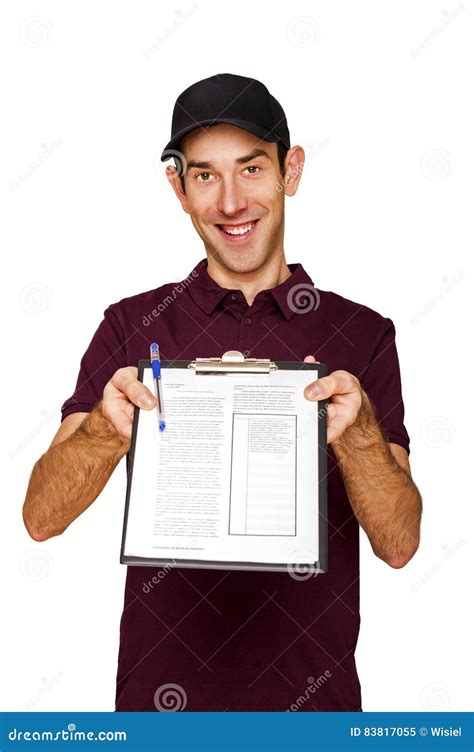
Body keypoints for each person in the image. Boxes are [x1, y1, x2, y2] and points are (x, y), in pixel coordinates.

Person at [22, 73, 422, 712]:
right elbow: (41, 518)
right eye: (205, 175)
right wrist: (103, 430)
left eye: (251, 169)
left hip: (316, 718)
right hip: (161, 717)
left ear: (290, 171)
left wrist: (360, 437)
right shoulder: (131, 326)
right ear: (178, 189)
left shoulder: (363, 334)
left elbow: (399, 544)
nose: (232, 202)